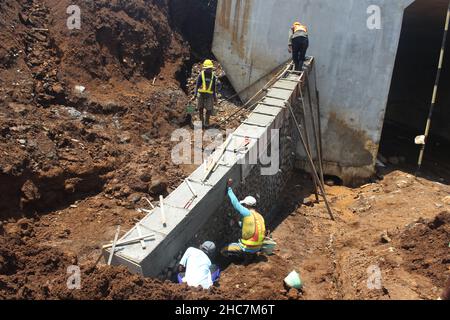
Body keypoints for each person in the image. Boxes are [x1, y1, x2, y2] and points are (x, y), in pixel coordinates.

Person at [221, 179, 266, 258]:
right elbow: (251, 228)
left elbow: (235, 204)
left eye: (244, 205)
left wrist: (229, 189)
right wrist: (237, 222)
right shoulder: (260, 217)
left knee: (224, 251)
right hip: (258, 247)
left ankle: (240, 257)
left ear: (247, 205)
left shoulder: (247, 213)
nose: (244, 206)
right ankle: (249, 255)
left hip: (247, 247)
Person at [193, 59, 218, 128]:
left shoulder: (213, 77)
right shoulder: (201, 75)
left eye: (210, 68)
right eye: (208, 68)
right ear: (205, 68)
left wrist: (215, 98)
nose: (209, 70)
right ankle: (201, 122)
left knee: (209, 109)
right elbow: (197, 85)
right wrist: (195, 95)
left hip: (209, 95)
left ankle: (207, 122)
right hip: (201, 94)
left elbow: (213, 88)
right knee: (200, 108)